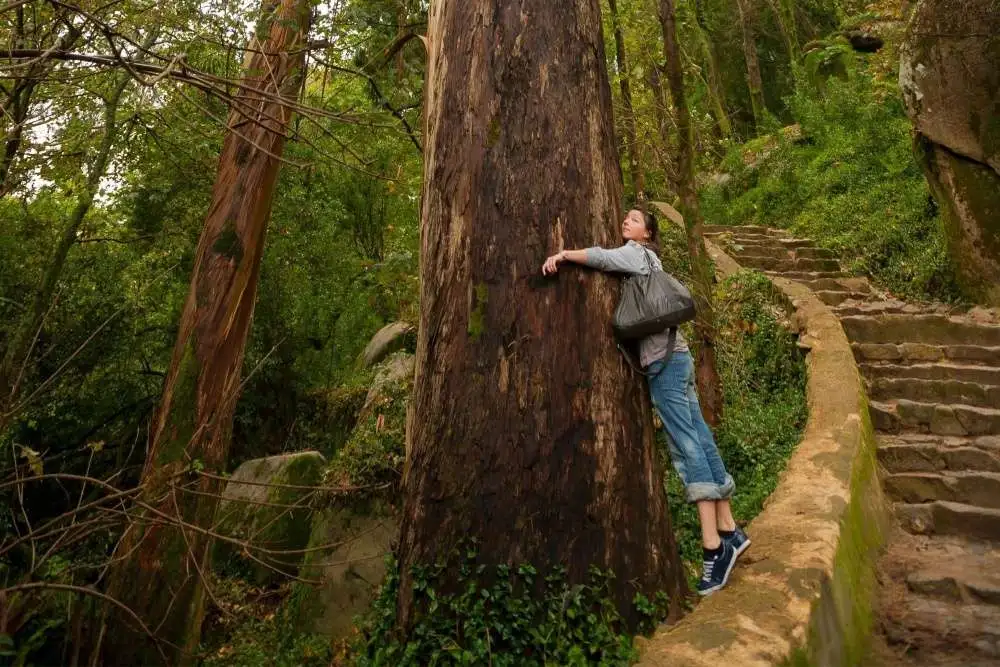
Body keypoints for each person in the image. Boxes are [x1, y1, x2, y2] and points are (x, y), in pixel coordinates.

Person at [541, 207, 750, 596]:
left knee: (686, 447)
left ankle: (713, 549)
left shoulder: (637, 255)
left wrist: (563, 255)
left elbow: (602, 258)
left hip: (665, 368)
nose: (626, 222)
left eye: (634, 220)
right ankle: (730, 530)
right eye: (627, 218)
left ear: (646, 233)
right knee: (700, 438)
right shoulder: (650, 260)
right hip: (679, 359)